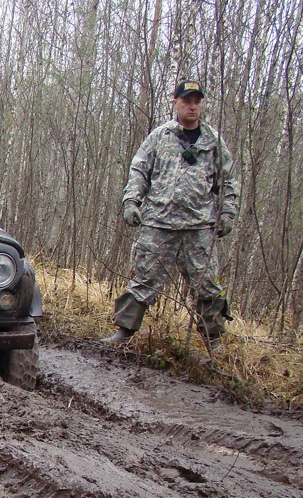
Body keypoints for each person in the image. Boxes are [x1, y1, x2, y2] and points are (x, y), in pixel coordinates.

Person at [103, 80, 239, 349]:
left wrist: (227, 214)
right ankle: (124, 332)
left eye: (196, 101)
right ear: (175, 103)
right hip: (158, 223)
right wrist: (132, 202)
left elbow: (228, 181)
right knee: (144, 279)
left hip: (200, 226)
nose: (192, 106)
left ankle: (214, 343)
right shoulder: (160, 137)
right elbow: (139, 171)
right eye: (186, 101)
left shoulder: (213, 142)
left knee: (208, 285)